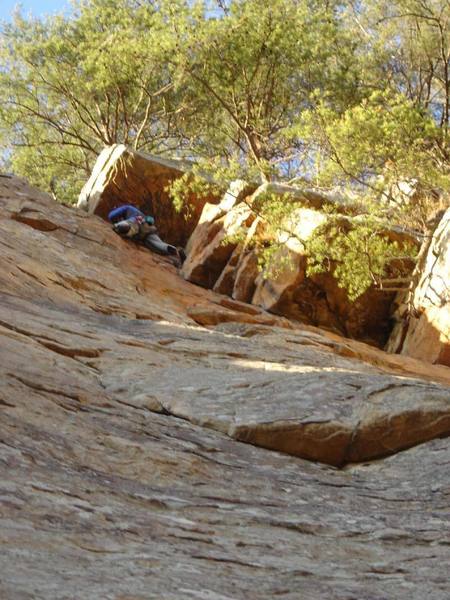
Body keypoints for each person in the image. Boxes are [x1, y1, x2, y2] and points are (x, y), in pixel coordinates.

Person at [108, 204, 186, 265]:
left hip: (135, 222)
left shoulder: (128, 208)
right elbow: (151, 221)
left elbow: (111, 215)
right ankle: (176, 251)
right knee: (159, 246)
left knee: (129, 226)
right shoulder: (142, 214)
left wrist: (115, 221)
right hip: (149, 230)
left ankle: (119, 227)